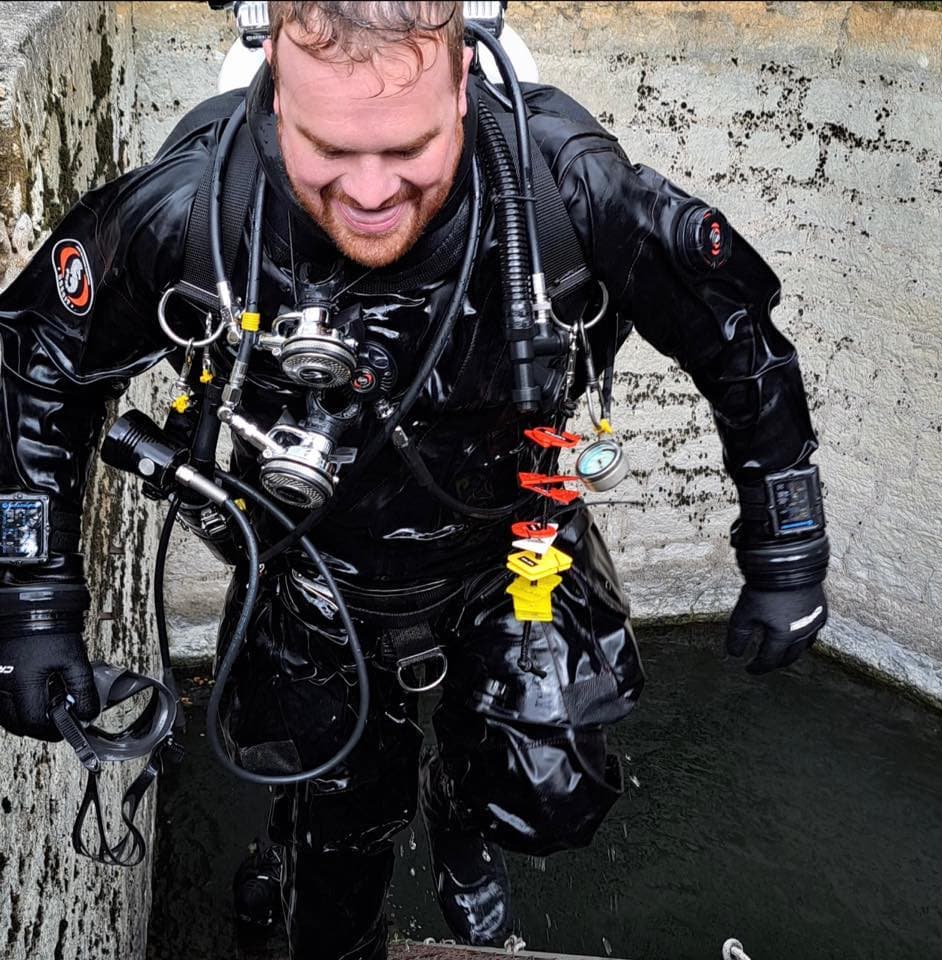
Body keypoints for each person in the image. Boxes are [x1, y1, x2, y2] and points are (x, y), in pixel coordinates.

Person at [0, 3, 830, 958]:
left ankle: (463, 823)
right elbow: (41, 364)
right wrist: (33, 596)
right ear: (275, 98)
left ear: (464, 89)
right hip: (310, 583)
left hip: (511, 551)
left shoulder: (563, 188)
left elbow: (736, 336)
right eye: (327, 148)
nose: (368, 191)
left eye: (407, 148)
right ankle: (300, 855)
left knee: (551, 793)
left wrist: (786, 543)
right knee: (335, 870)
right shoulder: (198, 207)